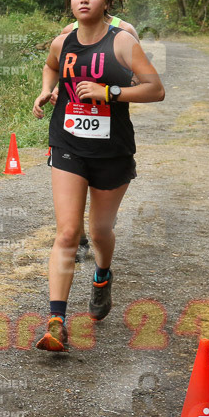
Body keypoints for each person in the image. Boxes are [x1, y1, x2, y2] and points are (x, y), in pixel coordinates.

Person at [31, 0, 165, 352]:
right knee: (68, 232)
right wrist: (47, 90)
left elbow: (155, 89)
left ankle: (102, 277)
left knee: (100, 231)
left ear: (106, 1)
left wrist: (110, 93)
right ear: (70, 0)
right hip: (68, 144)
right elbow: (52, 66)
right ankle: (56, 320)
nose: (84, 0)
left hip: (112, 151)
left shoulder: (122, 42)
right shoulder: (62, 42)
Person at [52, 13, 140, 262]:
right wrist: (55, 90)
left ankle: (100, 234)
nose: (85, 1)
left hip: (110, 129)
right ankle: (77, 238)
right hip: (71, 130)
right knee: (72, 194)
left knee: (101, 222)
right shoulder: (69, 30)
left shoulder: (124, 31)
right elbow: (63, 68)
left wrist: (107, 91)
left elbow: (137, 79)